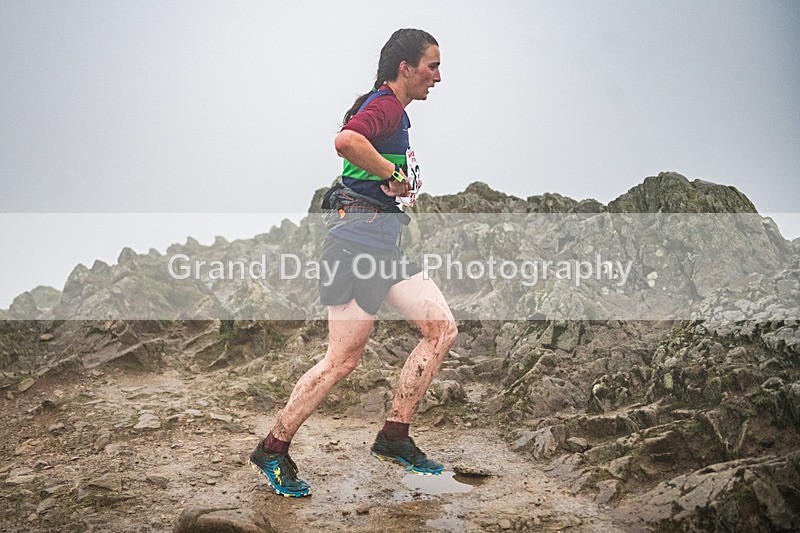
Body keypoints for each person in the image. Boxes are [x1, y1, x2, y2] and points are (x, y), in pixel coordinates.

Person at [249, 28, 457, 498]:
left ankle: (393, 437)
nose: (438, 77)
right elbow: (345, 142)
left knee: (441, 329)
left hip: (385, 242)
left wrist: (394, 182)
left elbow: (361, 163)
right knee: (342, 361)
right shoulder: (383, 104)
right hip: (356, 245)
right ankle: (273, 448)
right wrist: (393, 173)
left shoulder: (393, 112)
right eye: (433, 65)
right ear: (405, 68)